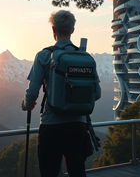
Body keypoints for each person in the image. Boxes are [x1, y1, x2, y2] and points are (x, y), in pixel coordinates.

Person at [22, 10, 101, 177]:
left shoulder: (44, 55)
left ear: (53, 30)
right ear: (73, 30)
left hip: (52, 125)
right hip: (78, 125)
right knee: (77, 170)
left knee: (49, 171)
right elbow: (97, 94)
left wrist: (26, 105)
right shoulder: (84, 57)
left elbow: (32, 92)